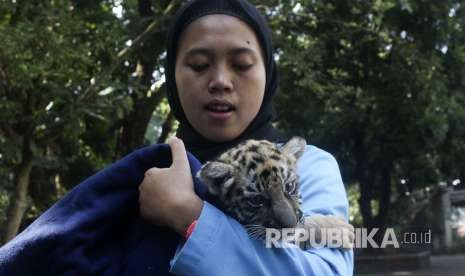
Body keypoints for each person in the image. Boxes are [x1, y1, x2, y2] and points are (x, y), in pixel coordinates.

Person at [138, 0, 354, 275]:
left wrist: (190, 217)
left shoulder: (310, 164)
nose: (221, 81)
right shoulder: (148, 175)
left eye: (241, 64)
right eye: (199, 64)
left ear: (268, 73)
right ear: (172, 75)